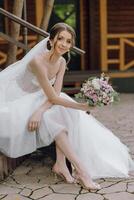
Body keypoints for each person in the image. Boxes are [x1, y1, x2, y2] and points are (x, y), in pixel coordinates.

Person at [0, 23, 134, 190]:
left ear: (71, 45)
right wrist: (80, 106)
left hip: (42, 98)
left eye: (68, 41)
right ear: (51, 40)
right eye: (60, 39)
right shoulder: (37, 62)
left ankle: (61, 163)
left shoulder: (62, 62)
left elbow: (55, 94)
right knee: (58, 112)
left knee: (58, 111)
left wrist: (41, 110)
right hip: (20, 99)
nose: (63, 44)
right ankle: (82, 170)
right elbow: (53, 97)